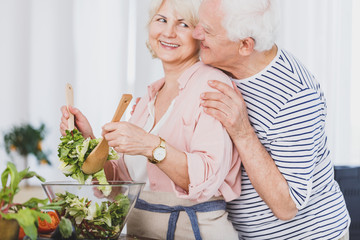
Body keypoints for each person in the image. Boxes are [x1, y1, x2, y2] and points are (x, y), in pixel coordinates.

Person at [60, 0, 241, 239]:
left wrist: (149, 145)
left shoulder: (212, 86)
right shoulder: (147, 100)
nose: (168, 32)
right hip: (141, 232)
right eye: (162, 20)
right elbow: (122, 186)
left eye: (183, 24)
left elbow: (207, 178)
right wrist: (90, 144)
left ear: (201, 34)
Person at [194, 0, 350, 239]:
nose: (196, 34)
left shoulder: (296, 97)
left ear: (245, 45)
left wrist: (243, 131)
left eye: (207, 30)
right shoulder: (220, 64)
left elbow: (287, 206)